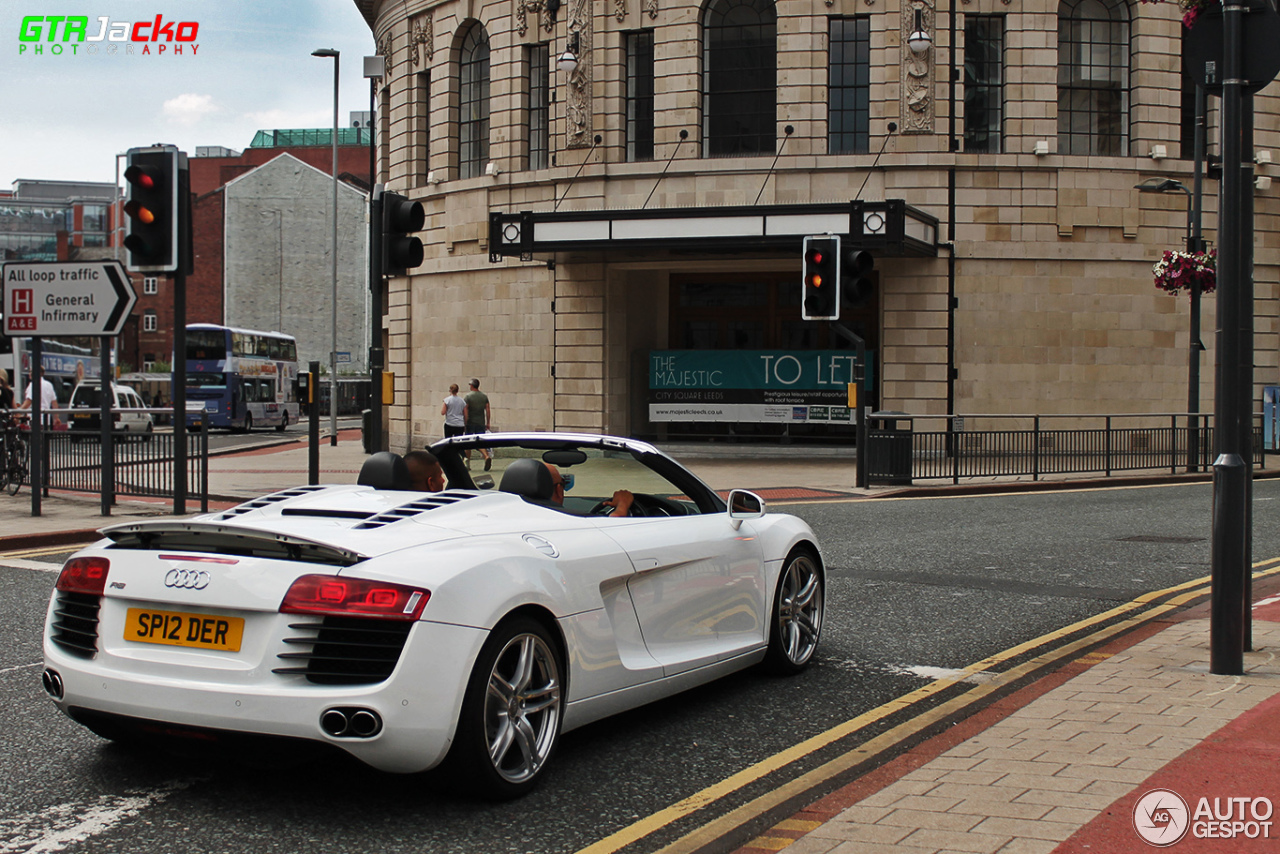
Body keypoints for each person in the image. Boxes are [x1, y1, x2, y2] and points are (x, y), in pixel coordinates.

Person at [544, 462, 634, 517]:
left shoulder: (532, 518)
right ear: (559, 490)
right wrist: (623, 504)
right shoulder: (574, 522)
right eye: (563, 483)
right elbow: (614, 527)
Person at [462, 378, 492, 471]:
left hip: (471, 422)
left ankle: (467, 464)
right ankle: (486, 456)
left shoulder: (468, 397)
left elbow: (465, 410)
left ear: (471, 385)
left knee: (468, 443)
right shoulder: (484, 396)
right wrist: (488, 422)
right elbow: (487, 410)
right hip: (481, 422)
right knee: (480, 442)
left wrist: (465, 422)